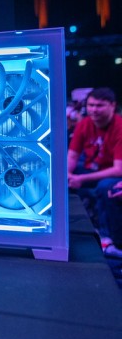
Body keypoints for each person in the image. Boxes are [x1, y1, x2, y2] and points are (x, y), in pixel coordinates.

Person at [66, 87, 122, 242]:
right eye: (90, 105)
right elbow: (72, 156)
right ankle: (65, 228)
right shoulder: (84, 124)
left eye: (99, 106)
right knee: (58, 179)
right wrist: (67, 175)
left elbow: (118, 170)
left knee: (105, 187)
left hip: (113, 175)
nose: (93, 110)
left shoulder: (119, 127)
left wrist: (81, 179)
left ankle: (111, 239)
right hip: (93, 169)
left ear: (112, 105)